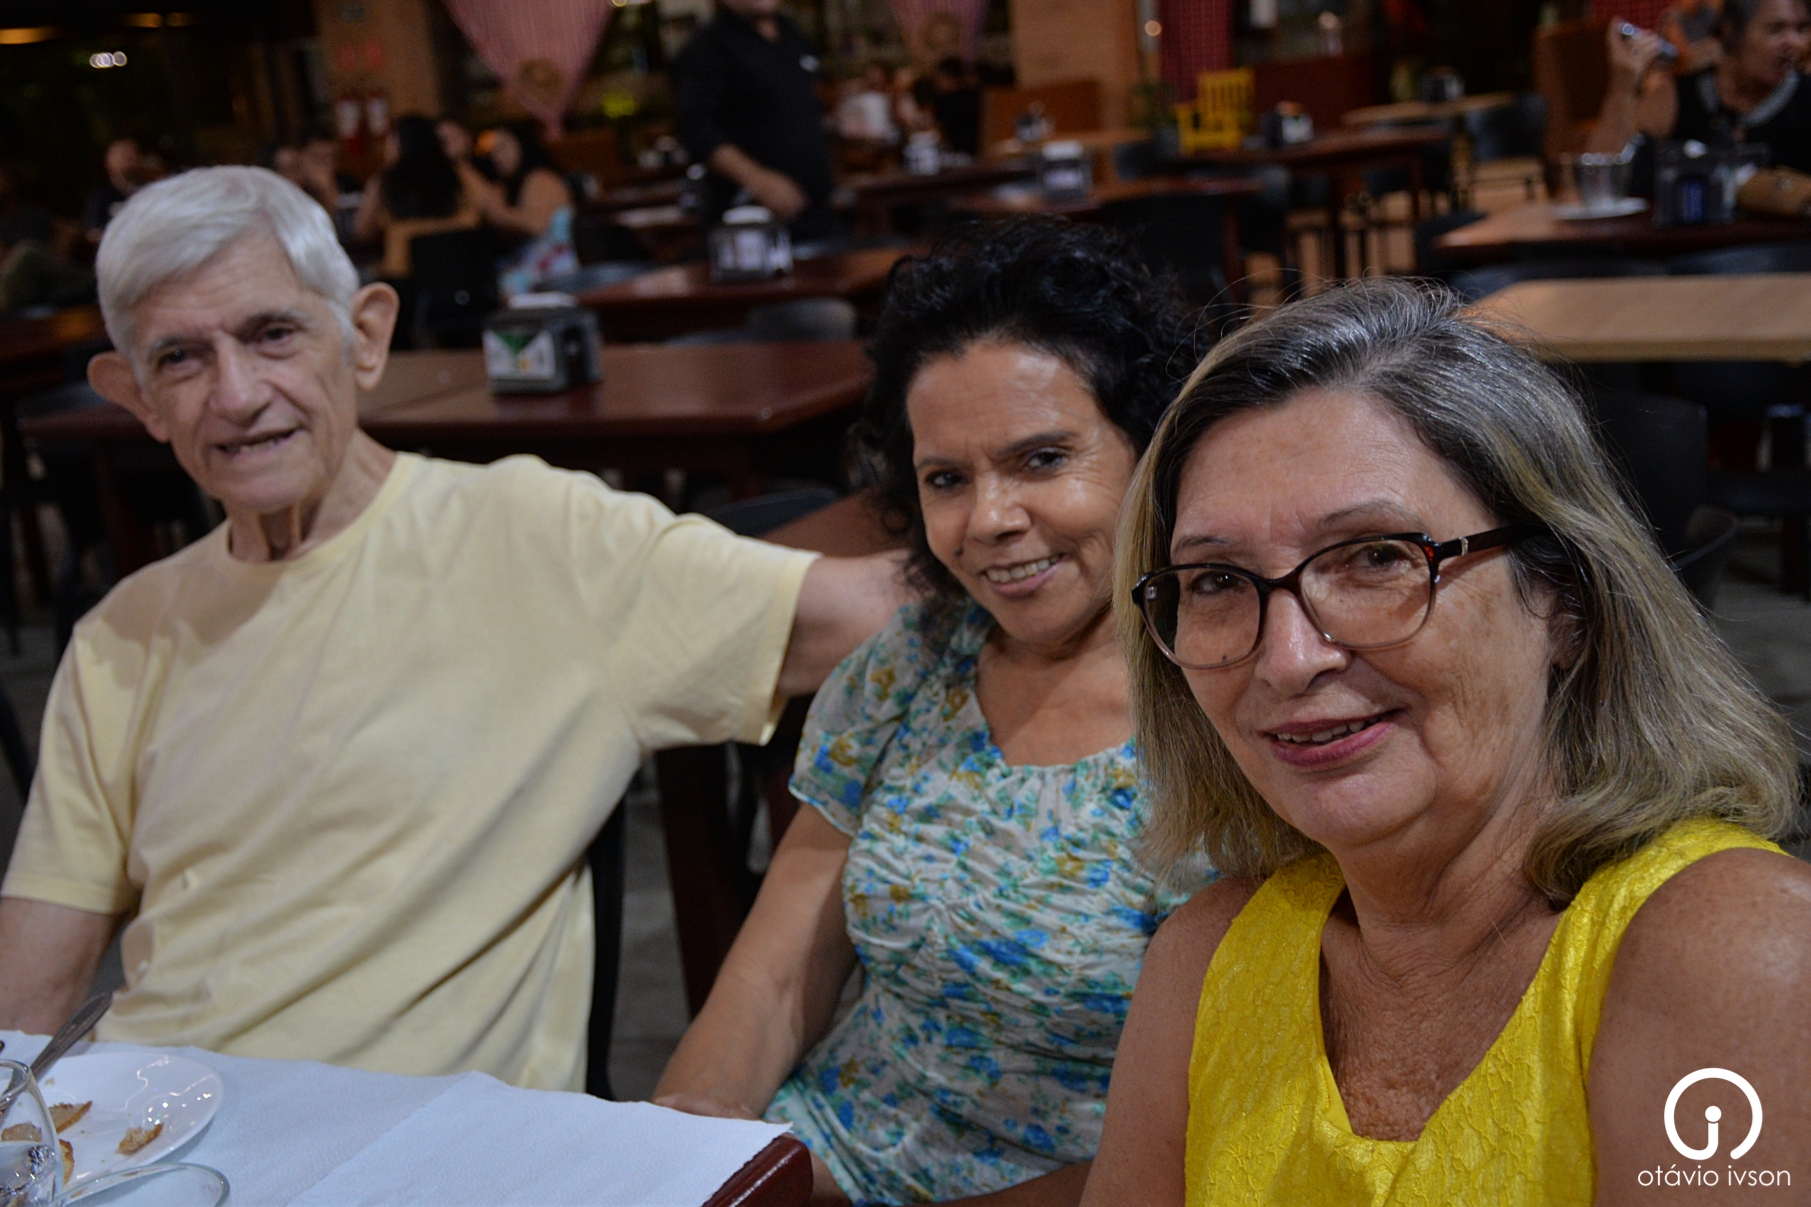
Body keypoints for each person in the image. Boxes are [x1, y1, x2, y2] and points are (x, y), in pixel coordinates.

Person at [0, 166, 909, 1093]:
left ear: (364, 336)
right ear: (136, 398)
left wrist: (1000, 498)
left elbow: (867, 610)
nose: (235, 394)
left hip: (410, 1140)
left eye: (272, 334)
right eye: (180, 359)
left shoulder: (537, 538)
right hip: (153, 1128)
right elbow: (25, 995)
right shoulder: (121, 635)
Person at [1083, 280, 1811, 1204]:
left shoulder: (1733, 950)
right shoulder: (1204, 959)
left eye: (1376, 558)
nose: (1288, 658)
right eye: (1217, 580)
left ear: (1565, 599)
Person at [654, 220, 1213, 1206]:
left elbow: (1209, 1140)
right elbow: (774, 977)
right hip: (823, 1156)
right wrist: (684, 1159)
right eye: (946, 478)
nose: (987, 519)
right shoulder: (911, 664)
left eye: (1041, 458)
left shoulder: (1229, 711)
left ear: (1152, 447)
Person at [674, 0, 840, 238]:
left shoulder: (793, 34)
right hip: (751, 220)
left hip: (818, 213)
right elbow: (697, 129)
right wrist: (758, 181)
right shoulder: (709, 46)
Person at [1588, 0, 1811, 177]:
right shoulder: (1683, 93)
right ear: (1731, 31)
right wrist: (1623, 87)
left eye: (1802, 29)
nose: (1795, 43)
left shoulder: (1805, 95)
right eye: (1775, 29)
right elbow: (1597, 176)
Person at [352, 114, 484, 280]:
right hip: (461, 275)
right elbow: (486, 212)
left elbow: (362, 232)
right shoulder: (461, 175)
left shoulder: (384, 181)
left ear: (398, 144)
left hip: (403, 277)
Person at [477, 120, 574, 240]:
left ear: (523, 145)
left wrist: (496, 209)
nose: (495, 155)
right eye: (492, 151)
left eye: (502, 146)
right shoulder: (507, 185)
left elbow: (537, 225)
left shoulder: (541, 178)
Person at [83, 137, 153, 244]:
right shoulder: (100, 199)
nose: (131, 157)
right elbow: (93, 234)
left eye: (135, 152)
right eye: (123, 153)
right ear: (109, 161)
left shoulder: (153, 192)